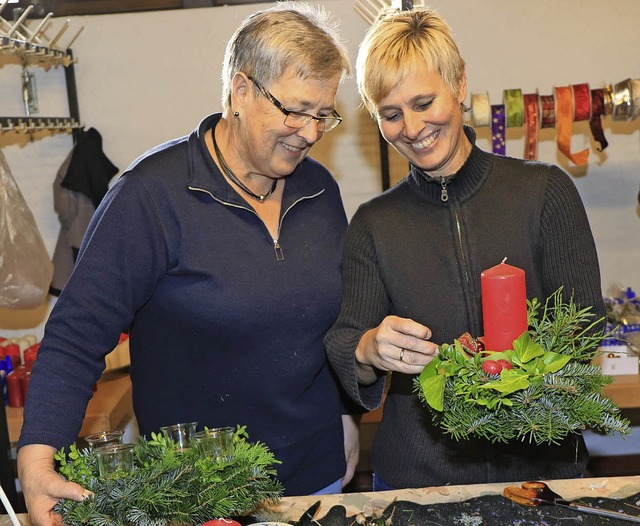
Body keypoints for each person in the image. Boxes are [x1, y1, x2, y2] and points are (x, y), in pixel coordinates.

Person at [18, 3, 358, 525]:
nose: (311, 133)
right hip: (195, 498)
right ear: (241, 91)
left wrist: (345, 413)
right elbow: (76, 335)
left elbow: (330, 322)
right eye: (296, 110)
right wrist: (37, 460)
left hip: (317, 478)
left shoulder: (320, 190)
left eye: (323, 114)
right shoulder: (150, 197)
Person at [325, 7, 605, 491]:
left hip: (539, 475)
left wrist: (522, 371)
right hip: (419, 483)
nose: (411, 129)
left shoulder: (543, 193)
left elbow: (584, 325)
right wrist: (370, 348)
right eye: (391, 115)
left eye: (423, 102)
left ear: (458, 83)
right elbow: (346, 338)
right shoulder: (374, 225)